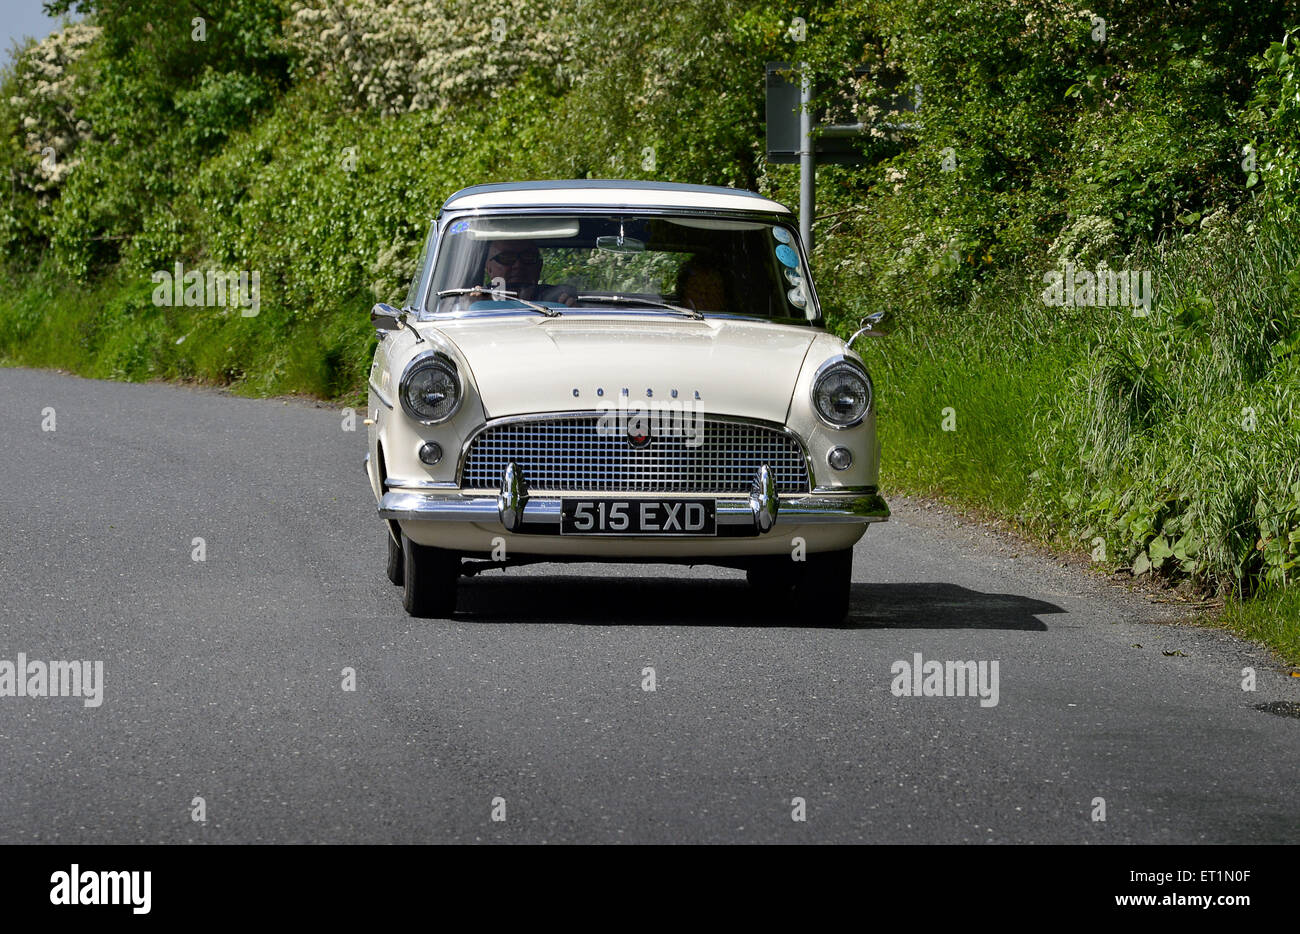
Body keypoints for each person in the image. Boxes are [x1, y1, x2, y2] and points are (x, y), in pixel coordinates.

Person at [482, 240, 578, 306]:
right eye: (507, 258)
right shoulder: (481, 299)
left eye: (528, 257)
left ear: (539, 266)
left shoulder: (556, 298)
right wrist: (474, 303)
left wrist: (572, 310)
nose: (518, 265)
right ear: (488, 267)